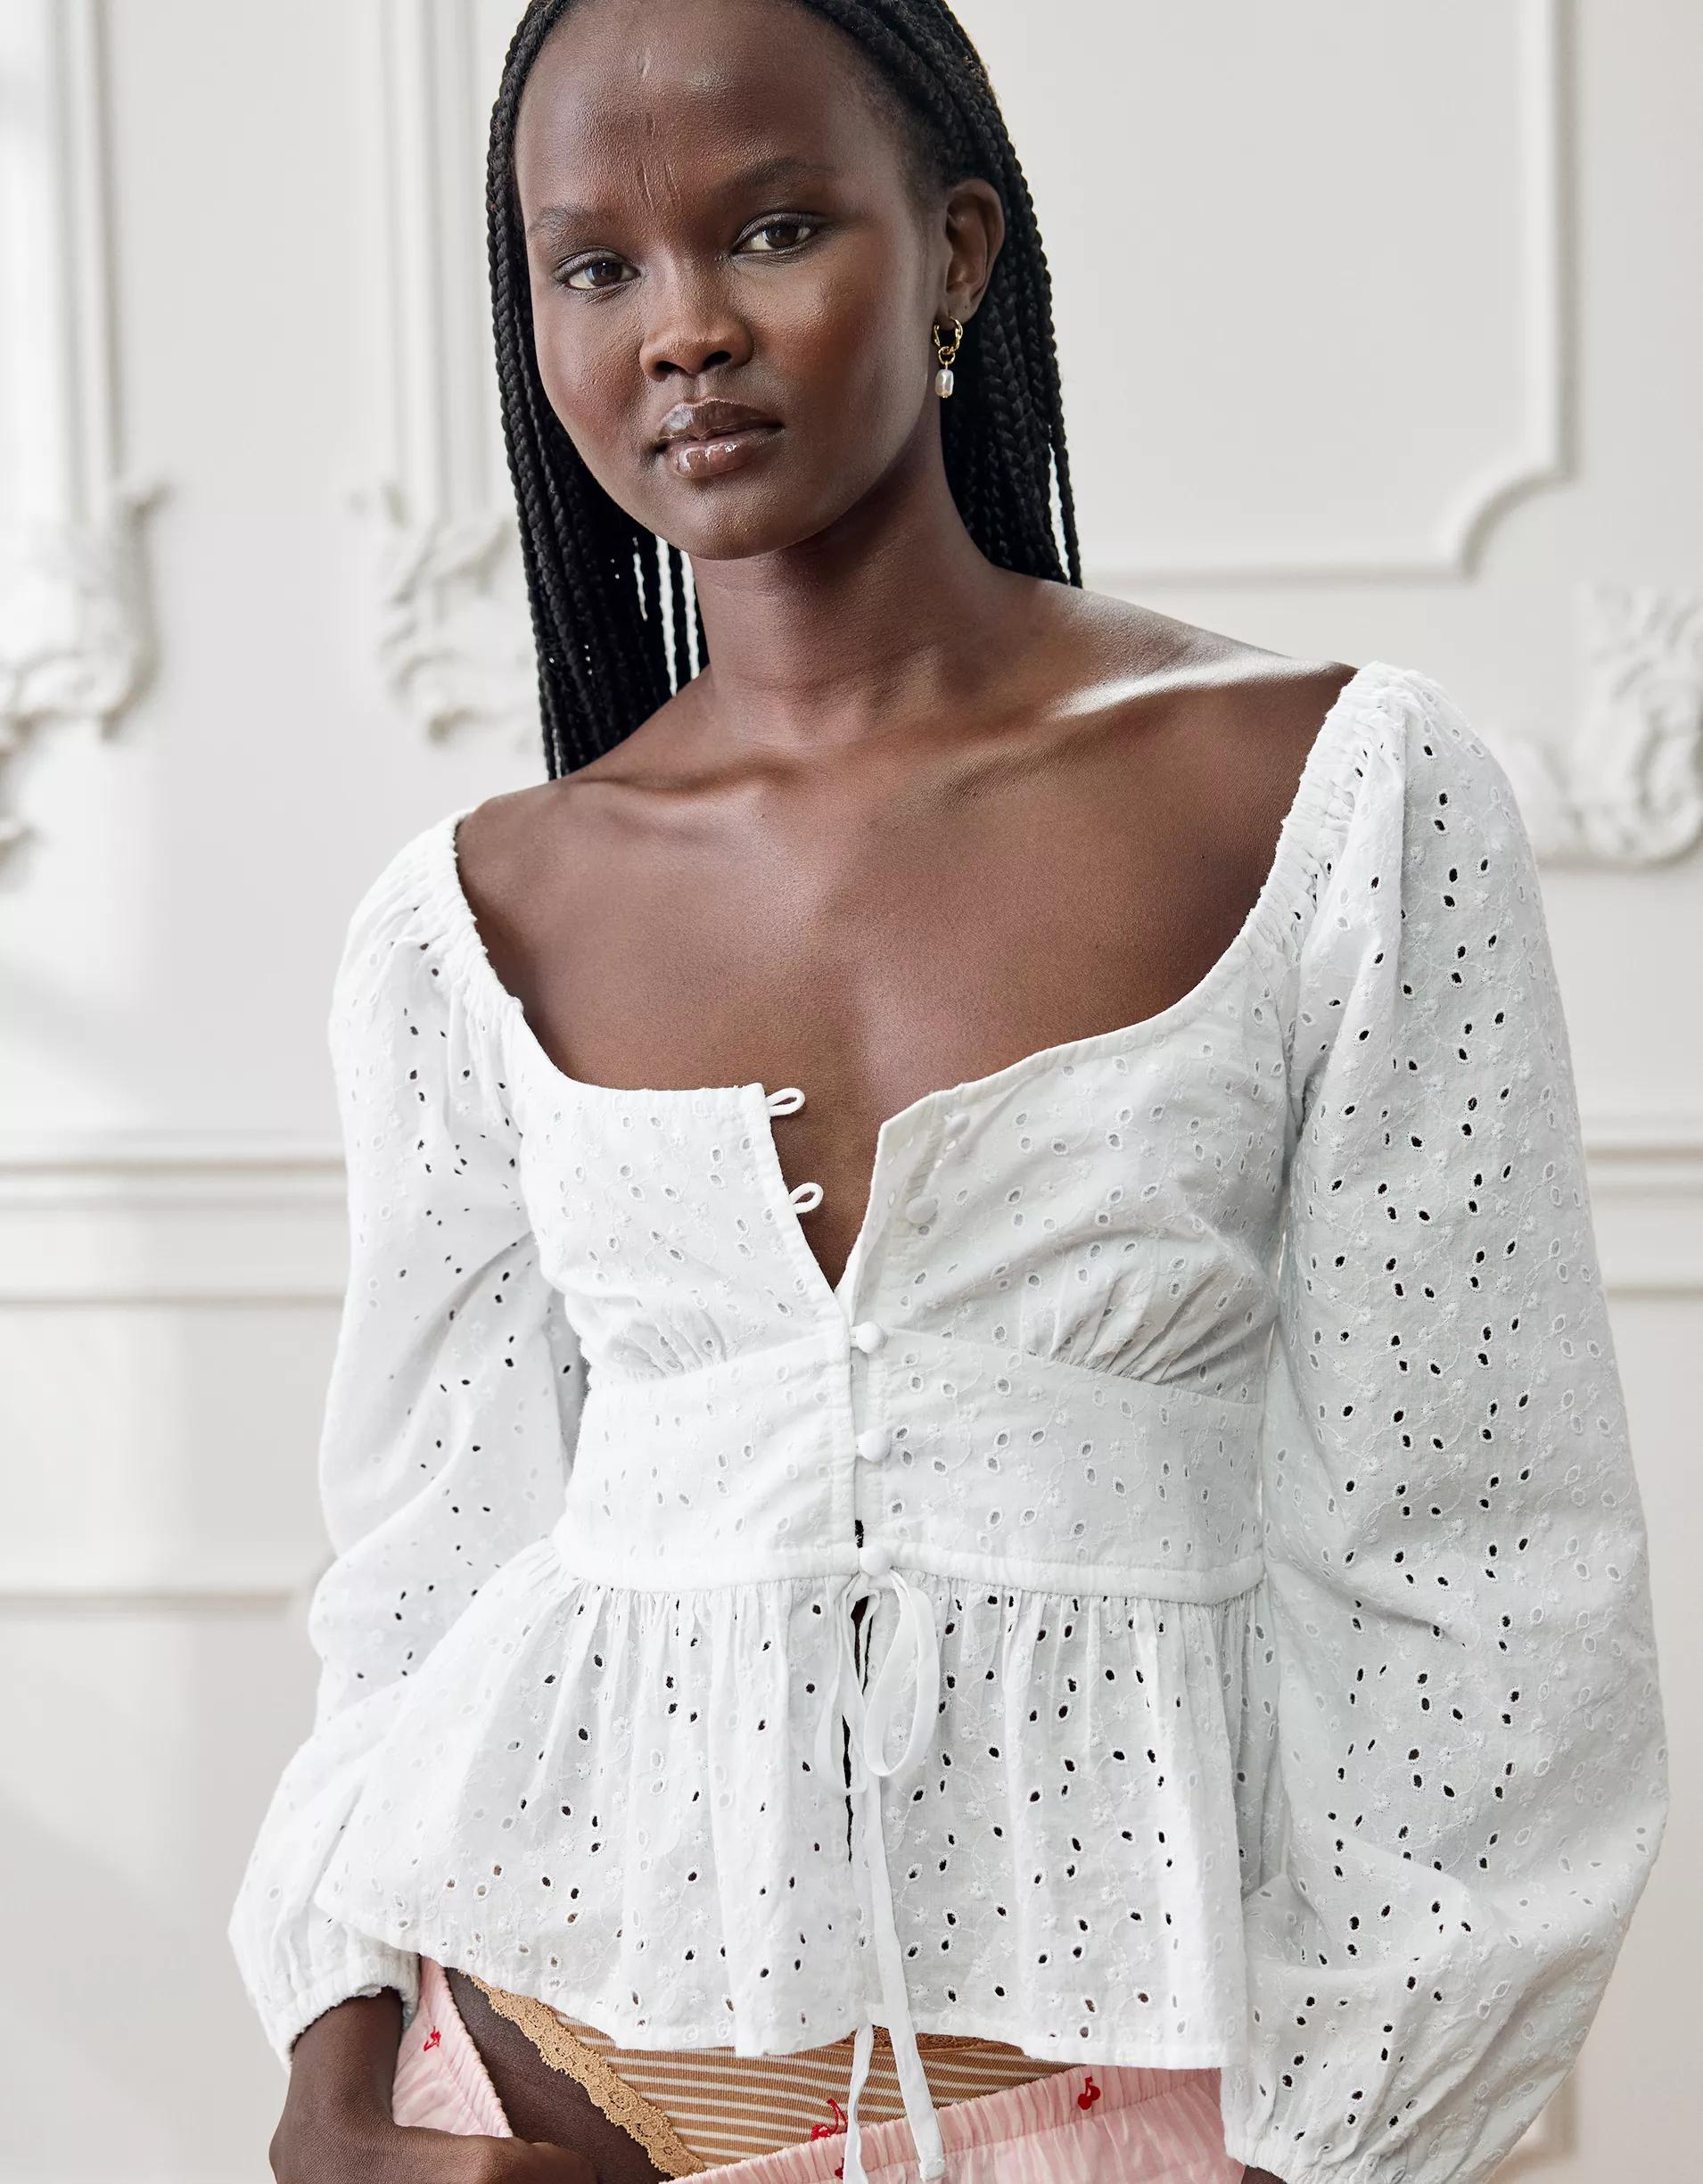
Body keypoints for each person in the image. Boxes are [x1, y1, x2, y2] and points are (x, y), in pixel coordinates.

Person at [228, 1, 1671, 2180]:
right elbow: (425, 1577)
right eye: (596, 265)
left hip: (1152, 2115)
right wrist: (336, 2088)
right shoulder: (469, 919)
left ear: (958, 254)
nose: (684, 328)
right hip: (527, 2093)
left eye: (771, 228)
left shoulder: (1334, 790)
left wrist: (1337, 2151)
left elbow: (1484, 1569)